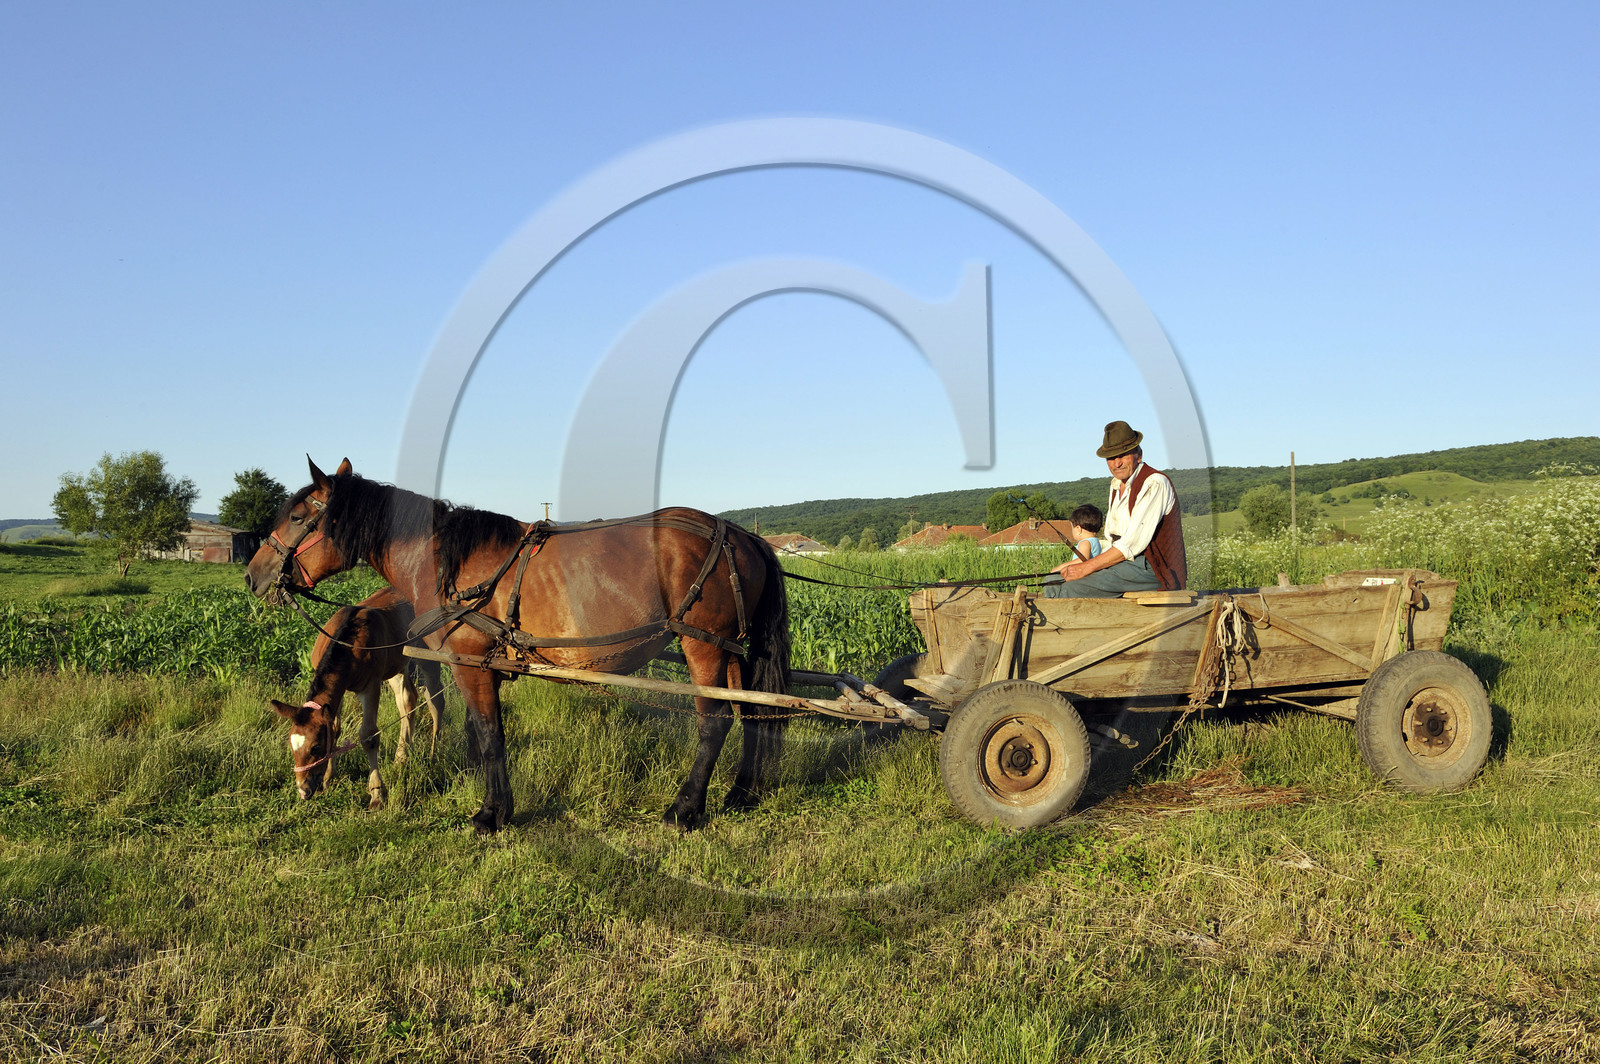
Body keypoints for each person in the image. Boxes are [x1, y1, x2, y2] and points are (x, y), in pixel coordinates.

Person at [1042, 421, 1188, 598]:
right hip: (1124, 563)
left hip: (1153, 568)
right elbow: (1113, 539)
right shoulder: (1116, 485)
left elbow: (1131, 543)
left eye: (1123, 455)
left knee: (1069, 589)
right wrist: (1081, 565)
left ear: (1138, 455)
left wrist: (1086, 567)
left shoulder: (1154, 482)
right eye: (1111, 458)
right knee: (1051, 580)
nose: (1117, 463)